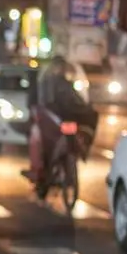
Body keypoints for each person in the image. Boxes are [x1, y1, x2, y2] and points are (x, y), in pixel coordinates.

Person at [25, 56, 91, 186]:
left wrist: (84, 108)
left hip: (63, 120)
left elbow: (76, 99)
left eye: (62, 68)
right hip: (47, 120)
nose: (60, 70)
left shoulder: (65, 83)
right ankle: (39, 170)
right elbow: (36, 102)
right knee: (38, 141)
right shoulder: (44, 82)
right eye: (58, 67)